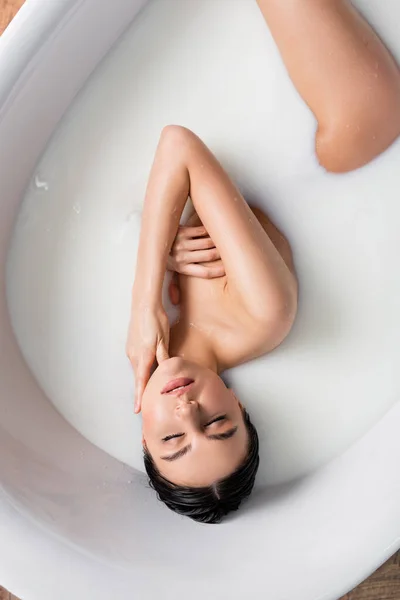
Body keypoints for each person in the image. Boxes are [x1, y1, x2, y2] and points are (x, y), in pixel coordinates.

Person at [126, 0, 400, 523]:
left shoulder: (155, 338)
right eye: (218, 424)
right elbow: (178, 145)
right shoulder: (264, 317)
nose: (188, 411)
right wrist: (147, 290)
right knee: (355, 131)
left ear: (144, 434)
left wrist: (160, 257)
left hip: (272, 120)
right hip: (357, 133)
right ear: (240, 407)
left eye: (172, 438)